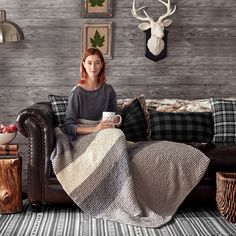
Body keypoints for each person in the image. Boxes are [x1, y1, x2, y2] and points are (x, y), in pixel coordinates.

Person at [64, 48, 119, 139]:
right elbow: (68, 126)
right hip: (83, 136)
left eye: (97, 63)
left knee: (118, 135)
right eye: (89, 63)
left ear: (101, 65)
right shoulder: (77, 92)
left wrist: (116, 121)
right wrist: (95, 129)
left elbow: (116, 118)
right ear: (84, 64)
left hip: (105, 133)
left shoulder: (109, 90)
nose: (93, 67)